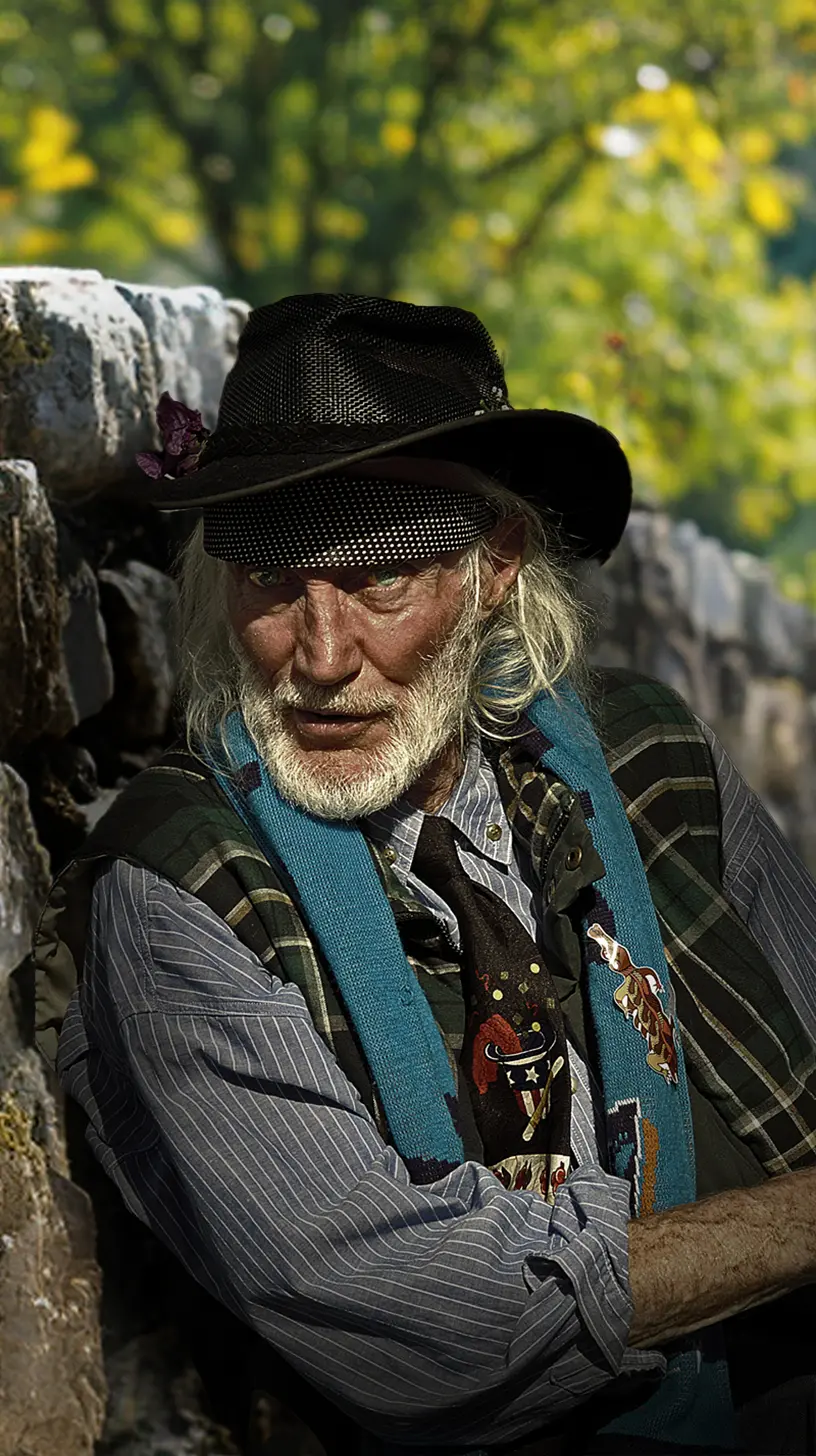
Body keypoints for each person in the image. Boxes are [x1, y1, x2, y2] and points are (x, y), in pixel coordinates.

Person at [33, 294, 816, 1456]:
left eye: (380, 584)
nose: (322, 655)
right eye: (271, 584)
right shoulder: (179, 891)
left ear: (493, 566)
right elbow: (424, 1330)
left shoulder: (658, 767)